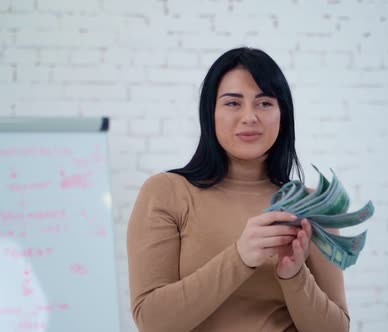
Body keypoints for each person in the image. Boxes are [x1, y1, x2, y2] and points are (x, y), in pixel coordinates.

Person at [127, 47, 350, 332]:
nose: (249, 117)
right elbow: (152, 322)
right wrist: (240, 257)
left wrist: (295, 275)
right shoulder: (165, 192)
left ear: (283, 114)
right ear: (210, 112)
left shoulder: (313, 208)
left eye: (265, 103)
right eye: (233, 103)